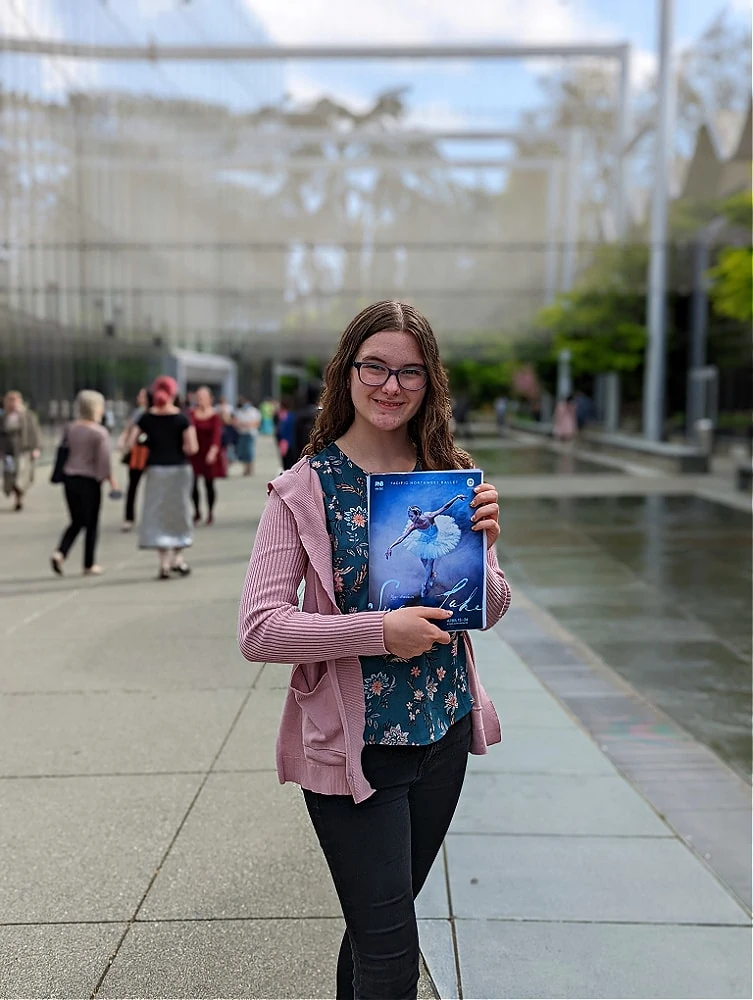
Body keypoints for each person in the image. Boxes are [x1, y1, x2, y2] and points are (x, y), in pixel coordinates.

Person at [238, 300, 511, 1000]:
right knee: (390, 959)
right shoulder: (304, 488)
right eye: (375, 367)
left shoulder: (446, 474)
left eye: (409, 373)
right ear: (347, 372)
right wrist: (375, 634)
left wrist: (484, 553)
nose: (391, 386)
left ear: (429, 383)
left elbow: (490, 608)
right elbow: (260, 628)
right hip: (358, 752)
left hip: (444, 734)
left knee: (377, 934)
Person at [127, 375, 198, 580]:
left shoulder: (145, 418)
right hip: (178, 470)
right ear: (173, 394)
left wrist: (149, 441)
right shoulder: (182, 418)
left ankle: (164, 564)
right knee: (178, 512)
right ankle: (178, 558)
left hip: (156, 469)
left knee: (157, 512)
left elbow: (133, 442)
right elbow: (192, 448)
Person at [50, 390, 118, 576]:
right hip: (89, 479)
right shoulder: (99, 432)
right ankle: (89, 564)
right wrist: (111, 481)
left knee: (76, 520)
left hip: (70, 477)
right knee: (92, 523)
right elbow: (104, 461)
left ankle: (60, 552)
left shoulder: (70, 429)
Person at [385, 494, 467, 598]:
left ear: (417, 514)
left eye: (411, 516)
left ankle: (425, 585)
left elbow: (444, 507)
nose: (410, 518)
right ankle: (431, 575)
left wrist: (456, 497)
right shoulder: (413, 526)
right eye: (409, 516)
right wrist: (391, 546)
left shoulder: (429, 517)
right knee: (423, 559)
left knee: (429, 563)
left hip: (435, 539)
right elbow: (402, 537)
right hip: (424, 539)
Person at [0, 390, 41, 511]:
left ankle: (19, 499)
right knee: (10, 475)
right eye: (10, 400)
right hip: (8, 451)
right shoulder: (3, 418)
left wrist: (36, 448)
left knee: (21, 476)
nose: (13, 403)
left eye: (15, 400)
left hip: (23, 450)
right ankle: (15, 493)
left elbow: (35, 432)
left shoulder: (27, 416)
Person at [190, 386, 224, 525]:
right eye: (198, 398)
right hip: (194, 453)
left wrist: (213, 451)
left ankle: (210, 512)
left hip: (209, 453)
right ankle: (197, 511)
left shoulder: (214, 416)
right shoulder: (192, 414)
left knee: (208, 484)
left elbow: (217, 435)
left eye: (203, 398)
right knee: (192, 484)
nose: (200, 400)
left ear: (210, 399)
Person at [119, 388, 150, 531]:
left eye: (142, 396)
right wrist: (124, 442)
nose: (139, 398)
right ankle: (129, 517)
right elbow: (129, 428)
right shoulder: (137, 413)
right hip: (137, 452)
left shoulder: (153, 413)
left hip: (151, 451)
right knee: (132, 485)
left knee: (153, 486)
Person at [235, 396, 261, 476]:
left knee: (249, 451)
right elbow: (236, 422)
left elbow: (256, 423)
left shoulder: (254, 412)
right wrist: (245, 424)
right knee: (243, 452)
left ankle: (250, 469)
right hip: (242, 434)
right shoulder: (239, 412)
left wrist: (245, 424)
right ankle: (245, 469)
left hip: (250, 434)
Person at [275, 396, 296, 471]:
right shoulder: (292, 416)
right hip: (290, 442)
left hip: (285, 442)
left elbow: (281, 430)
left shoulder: (284, 416)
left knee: (286, 463)